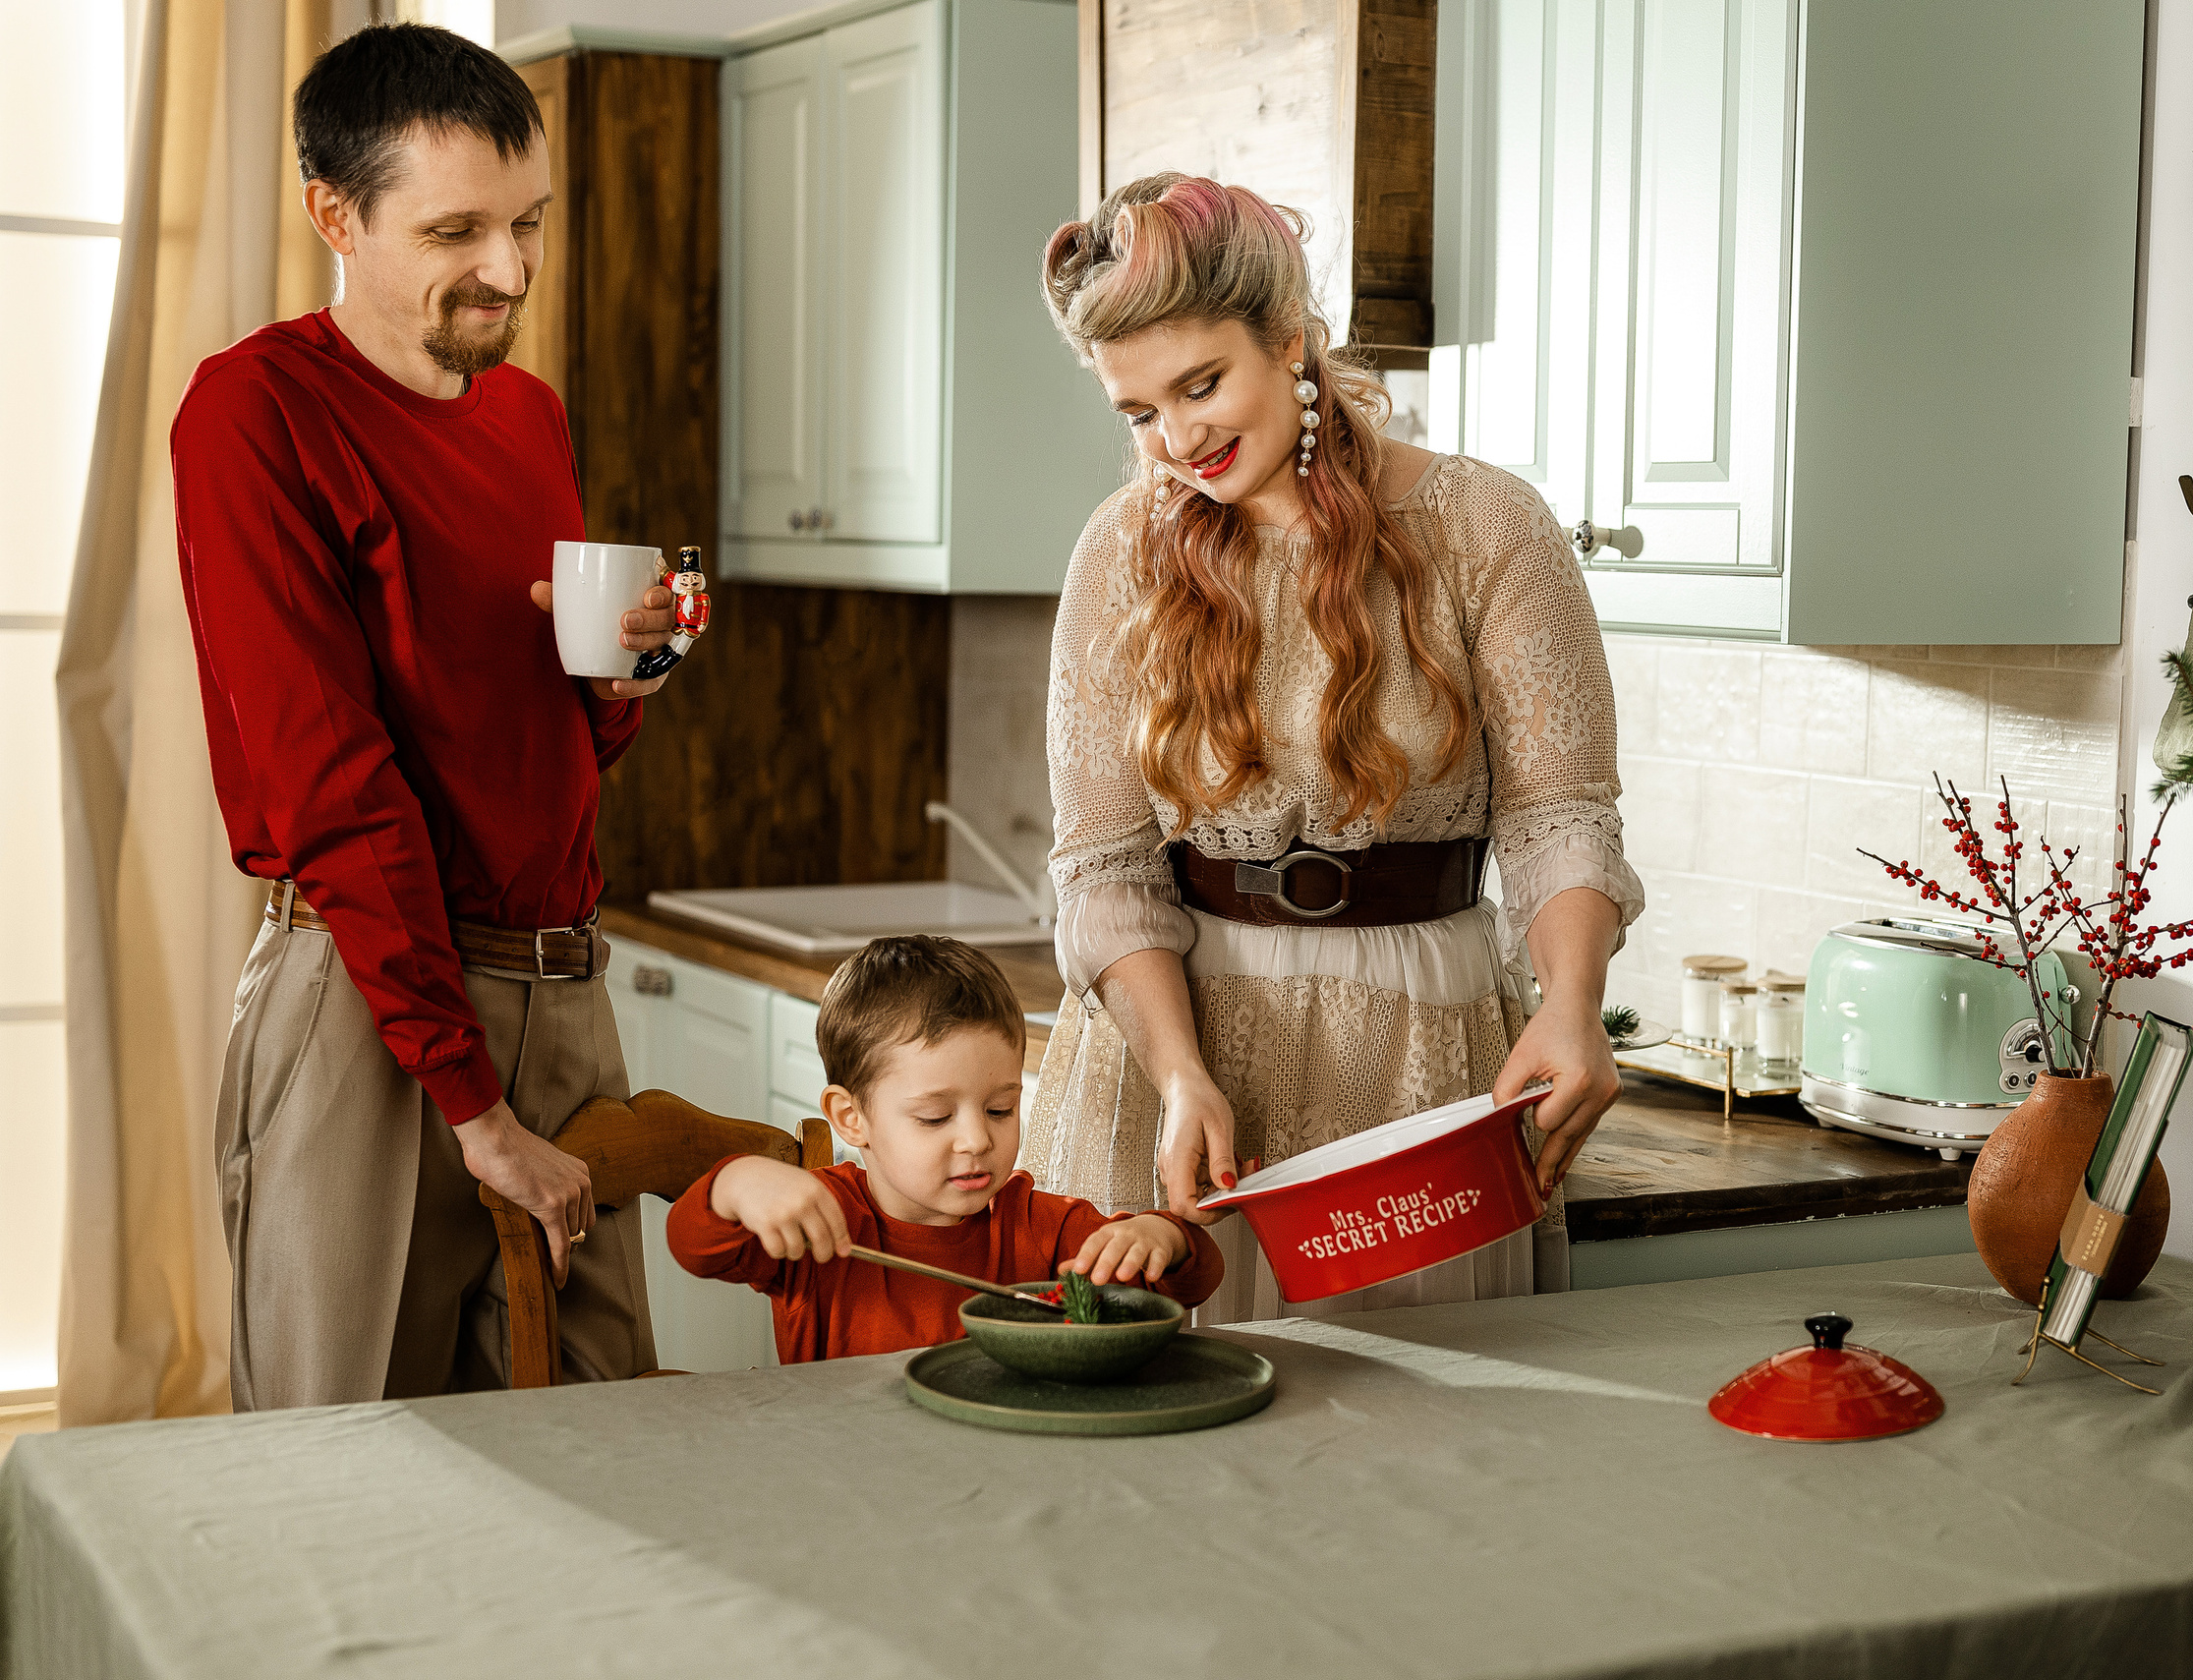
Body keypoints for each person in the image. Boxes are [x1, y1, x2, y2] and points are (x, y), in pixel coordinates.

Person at [1020, 175, 1645, 1323]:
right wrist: (1178, 1072)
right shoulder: (1120, 552)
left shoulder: (1485, 526)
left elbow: (1560, 817)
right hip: (1176, 1045)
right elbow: (1104, 865)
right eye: (1139, 411)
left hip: (1421, 1040)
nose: (1178, 440)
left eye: (1201, 384)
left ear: (1290, 339)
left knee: (1411, 1407)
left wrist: (1571, 1001)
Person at [172, 25, 689, 1407]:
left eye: (529, 222)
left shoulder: (529, 416)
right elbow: (332, 781)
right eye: (456, 230)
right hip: (375, 1003)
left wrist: (623, 685)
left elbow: (539, 741)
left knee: (607, 1437)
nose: (509, 270)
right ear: (334, 215)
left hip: (564, 984)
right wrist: (471, 1099)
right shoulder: (255, 412)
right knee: (348, 1465)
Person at [667, 938, 1225, 1360]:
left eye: (1000, 1109)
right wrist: (737, 1183)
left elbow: (1192, 1281)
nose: (978, 1140)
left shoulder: (1040, 1229)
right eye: (935, 1117)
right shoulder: (819, 1224)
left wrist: (1164, 1237)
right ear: (852, 1118)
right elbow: (694, 1247)